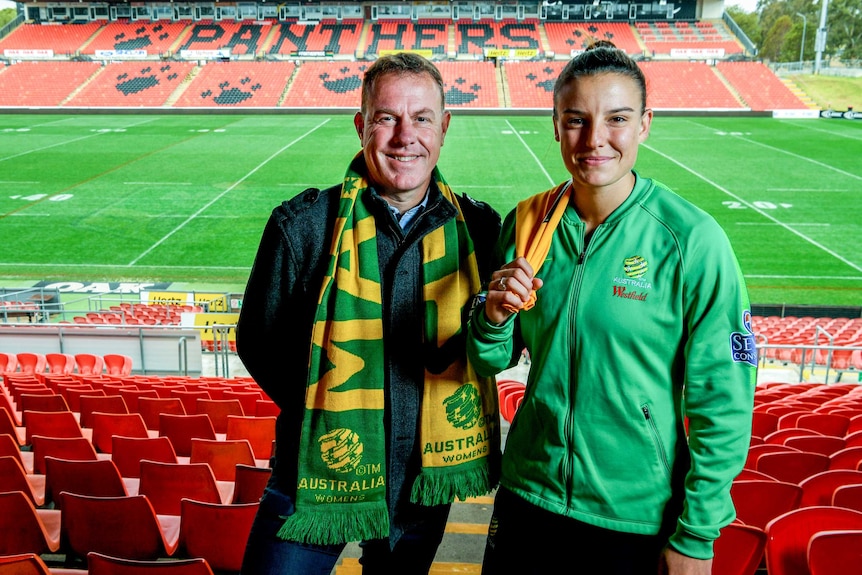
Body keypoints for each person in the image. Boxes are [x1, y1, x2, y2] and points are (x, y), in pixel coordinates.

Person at [466, 41, 756, 575]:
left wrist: (696, 534)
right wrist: (489, 320)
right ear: (556, 125)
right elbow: (493, 360)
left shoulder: (692, 240)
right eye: (576, 120)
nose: (594, 139)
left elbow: (725, 403)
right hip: (528, 498)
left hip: (634, 520)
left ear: (645, 124)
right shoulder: (527, 222)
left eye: (616, 119)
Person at [236, 52, 502, 575]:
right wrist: (325, 408)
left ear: (444, 127)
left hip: (424, 481)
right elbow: (258, 343)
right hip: (316, 474)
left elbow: (500, 345)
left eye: (422, 118)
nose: (406, 136)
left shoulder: (479, 230)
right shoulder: (303, 227)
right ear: (361, 127)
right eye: (387, 118)